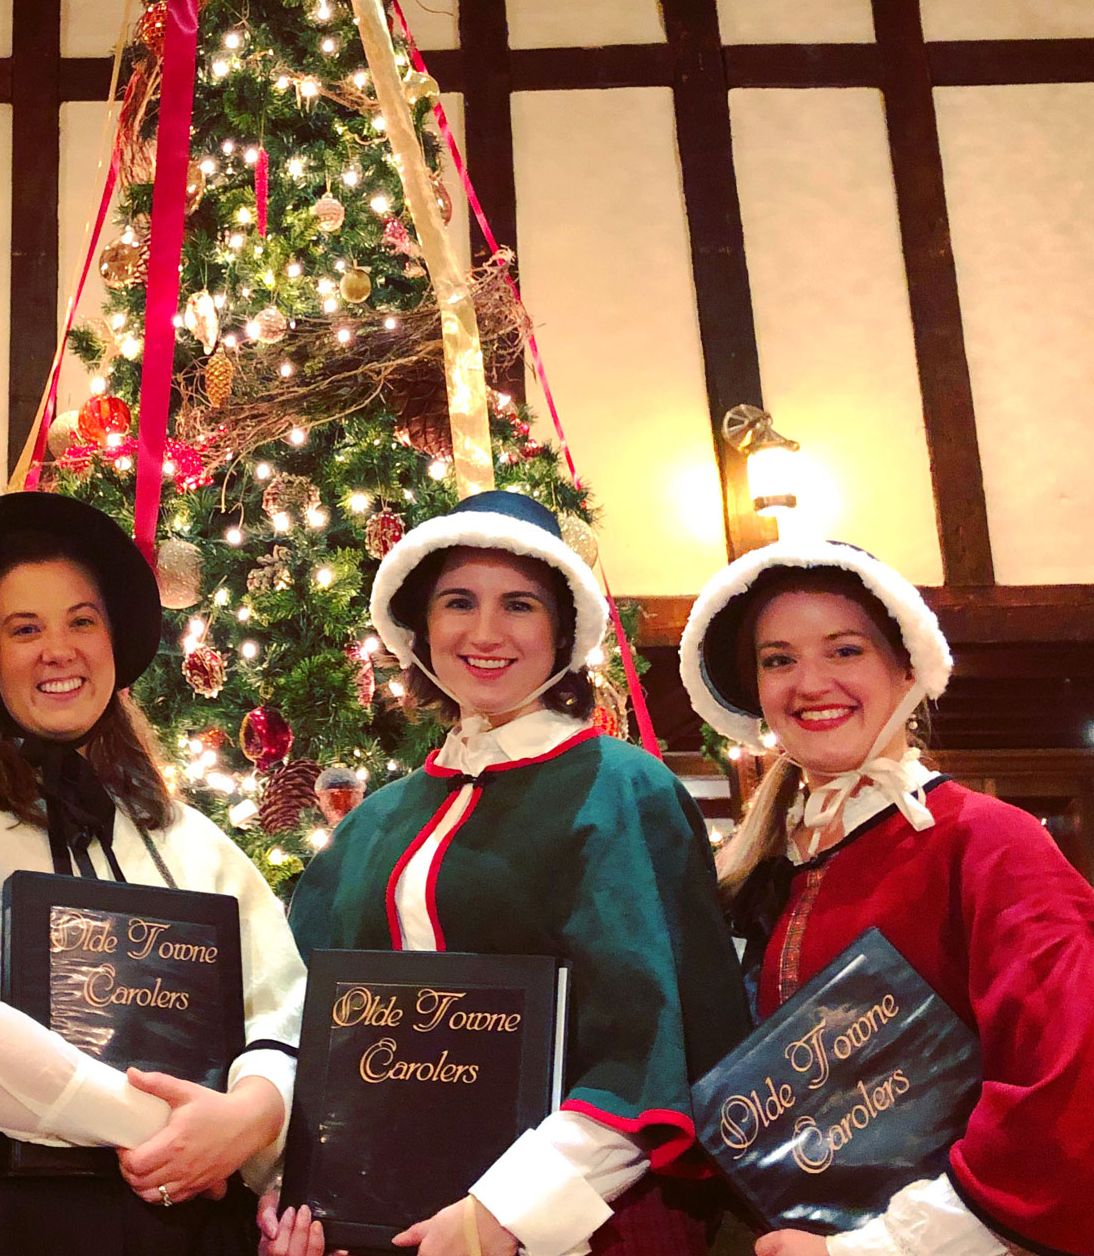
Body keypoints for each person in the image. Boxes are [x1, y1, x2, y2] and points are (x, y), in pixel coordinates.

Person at [267, 491, 751, 1256]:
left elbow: (650, 1042)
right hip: (383, 1226)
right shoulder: (375, 821)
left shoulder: (622, 790)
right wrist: (289, 1188)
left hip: (579, 1228)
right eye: (459, 602)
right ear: (421, 628)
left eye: (519, 605)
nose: (486, 633)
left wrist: (505, 1214)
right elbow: (304, 1026)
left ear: (562, 633)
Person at [0, 491, 306, 1256]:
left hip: (185, 1221)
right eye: (24, 629)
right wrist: (166, 1131)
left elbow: (279, 1006)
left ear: (114, 643)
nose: (58, 650)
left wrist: (251, 1117)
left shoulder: (189, 841)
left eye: (80, 621)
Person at [679, 539, 1094, 1256]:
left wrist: (877, 1247)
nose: (808, 682)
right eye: (778, 659)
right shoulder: (755, 871)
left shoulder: (990, 842)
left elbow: (1069, 1088)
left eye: (844, 651)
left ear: (906, 667)